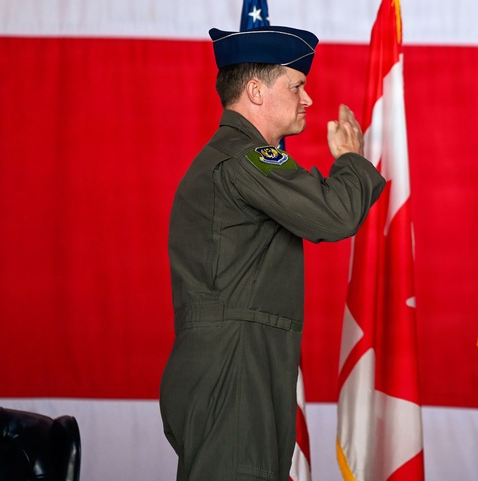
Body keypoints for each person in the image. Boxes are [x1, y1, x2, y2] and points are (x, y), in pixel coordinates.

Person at [159, 25, 385, 481]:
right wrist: (351, 160)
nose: (309, 100)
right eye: (297, 85)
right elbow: (334, 214)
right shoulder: (246, 158)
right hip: (237, 369)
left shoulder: (233, 157)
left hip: (239, 362)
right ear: (256, 91)